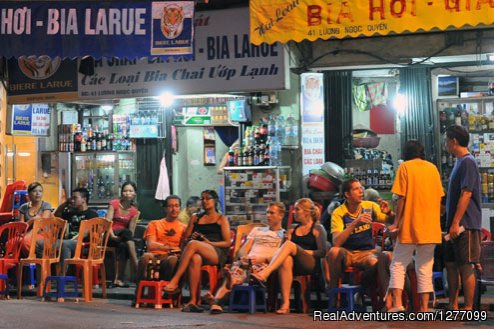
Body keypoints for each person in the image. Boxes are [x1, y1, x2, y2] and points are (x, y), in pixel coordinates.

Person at [387, 140, 444, 312]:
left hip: (410, 225)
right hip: (430, 226)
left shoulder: (405, 168)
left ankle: (398, 304)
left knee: (398, 263)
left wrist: (396, 222)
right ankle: (424, 308)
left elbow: (401, 198)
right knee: (425, 267)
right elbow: (440, 197)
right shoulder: (433, 169)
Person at [250, 198, 327, 314]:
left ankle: (266, 273)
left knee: (290, 245)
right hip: (293, 263)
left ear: (306, 212)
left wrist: (301, 251)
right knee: (286, 259)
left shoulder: (317, 228)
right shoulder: (292, 228)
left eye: (297, 209)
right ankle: (285, 304)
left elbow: (322, 252)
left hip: (310, 263)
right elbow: (281, 250)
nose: (293, 212)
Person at [209, 202, 286, 314]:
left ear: (281, 215)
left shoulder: (283, 234)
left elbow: (280, 255)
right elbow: (244, 248)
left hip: (264, 264)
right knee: (236, 269)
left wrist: (263, 259)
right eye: (267, 212)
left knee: (234, 275)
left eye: (272, 213)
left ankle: (216, 301)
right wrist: (244, 256)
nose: (268, 215)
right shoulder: (257, 230)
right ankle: (219, 299)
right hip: (248, 262)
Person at [326, 179, 394, 302]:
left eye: (361, 188)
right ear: (347, 194)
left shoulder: (370, 206)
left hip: (367, 253)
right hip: (347, 252)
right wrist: (355, 223)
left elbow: (393, 221)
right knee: (333, 252)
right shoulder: (339, 213)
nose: (361, 191)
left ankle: (362, 289)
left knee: (375, 263)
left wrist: (388, 212)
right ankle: (334, 296)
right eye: (356, 189)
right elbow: (336, 242)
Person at [164, 190, 231, 313]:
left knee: (193, 245)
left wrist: (208, 243)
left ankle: (176, 280)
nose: (204, 201)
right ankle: (193, 301)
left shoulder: (221, 218)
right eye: (202, 199)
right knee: (195, 258)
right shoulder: (196, 217)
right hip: (198, 249)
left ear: (215, 201)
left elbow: (227, 242)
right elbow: (186, 239)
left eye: (207, 198)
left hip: (216, 251)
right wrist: (192, 238)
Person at [444, 125, 481, 311]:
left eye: (446, 140)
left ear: (454, 141)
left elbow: (466, 194)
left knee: (466, 265)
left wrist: (457, 221)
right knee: (451, 264)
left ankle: (468, 307)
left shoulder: (468, 162)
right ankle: (453, 305)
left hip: (465, 224)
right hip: (453, 224)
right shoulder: (458, 162)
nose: (446, 144)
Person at [134, 195, 186, 303]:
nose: (174, 209)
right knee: (146, 257)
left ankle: (167, 294)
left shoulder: (184, 228)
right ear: (165, 209)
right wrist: (170, 247)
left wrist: (169, 250)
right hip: (155, 257)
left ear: (180, 208)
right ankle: (138, 294)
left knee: (173, 260)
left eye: (176, 206)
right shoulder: (154, 224)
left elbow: (183, 249)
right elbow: (151, 245)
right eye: (170, 206)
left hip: (171, 259)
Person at [53, 188, 98, 270]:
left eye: (75, 198)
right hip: (67, 241)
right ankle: (46, 275)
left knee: (64, 244)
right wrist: (66, 203)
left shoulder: (92, 214)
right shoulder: (70, 212)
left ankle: (63, 275)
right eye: (71, 198)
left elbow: (84, 234)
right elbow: (56, 214)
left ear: (84, 199)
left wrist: (68, 241)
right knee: (42, 244)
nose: (72, 200)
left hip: (82, 243)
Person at [106, 182, 140, 288]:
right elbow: (107, 223)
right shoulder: (114, 204)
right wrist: (112, 236)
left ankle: (118, 279)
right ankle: (136, 264)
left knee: (124, 245)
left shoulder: (135, 212)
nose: (127, 193)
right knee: (125, 232)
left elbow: (131, 231)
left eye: (130, 191)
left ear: (134, 194)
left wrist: (121, 238)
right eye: (125, 191)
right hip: (109, 235)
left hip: (122, 238)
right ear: (122, 192)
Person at [19, 182, 53, 254]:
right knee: (11, 243)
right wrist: (32, 220)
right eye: (34, 191)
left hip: (42, 233)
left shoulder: (46, 205)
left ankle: (31, 260)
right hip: (26, 233)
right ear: (29, 194)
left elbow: (42, 222)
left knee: (25, 241)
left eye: (40, 191)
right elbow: (21, 227)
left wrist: (30, 233)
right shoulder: (23, 207)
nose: (38, 193)